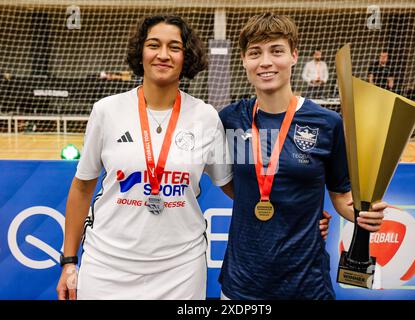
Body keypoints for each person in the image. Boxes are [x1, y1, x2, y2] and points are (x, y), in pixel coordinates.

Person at [56, 14, 234, 300]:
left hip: (181, 269)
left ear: (185, 57)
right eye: (154, 45)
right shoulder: (106, 111)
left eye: (174, 47)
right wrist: (68, 261)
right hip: (107, 265)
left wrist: (297, 206)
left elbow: (234, 187)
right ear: (140, 52)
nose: (163, 55)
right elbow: (82, 187)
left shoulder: (206, 117)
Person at [218, 12, 387, 300]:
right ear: (244, 60)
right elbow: (229, 182)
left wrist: (363, 214)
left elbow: (342, 198)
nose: (266, 62)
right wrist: (284, 205)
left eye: (277, 51)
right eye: (255, 53)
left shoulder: (327, 123)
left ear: (294, 56)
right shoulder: (230, 119)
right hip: (242, 284)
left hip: (306, 283)